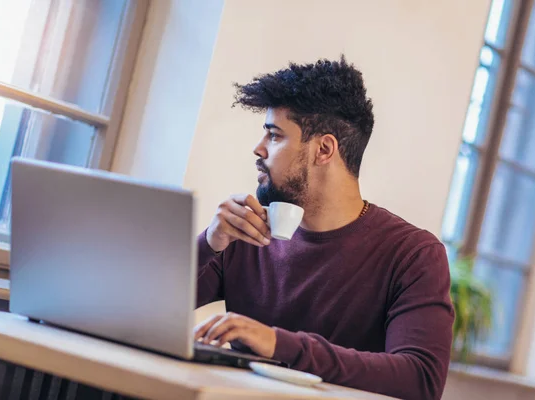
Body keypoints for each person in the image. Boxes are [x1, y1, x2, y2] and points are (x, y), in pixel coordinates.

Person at [193, 56, 454, 400]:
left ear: (324, 150)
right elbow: (145, 305)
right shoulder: (247, 232)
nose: (258, 149)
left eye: (274, 135)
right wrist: (209, 244)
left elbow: (420, 379)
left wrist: (279, 344)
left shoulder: (413, 255)